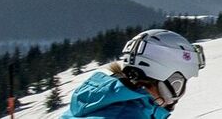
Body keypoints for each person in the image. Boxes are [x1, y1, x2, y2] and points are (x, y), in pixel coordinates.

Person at [64, 29, 205, 119]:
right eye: (180, 83)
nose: (181, 93)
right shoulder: (128, 115)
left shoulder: (102, 100)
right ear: (172, 82)